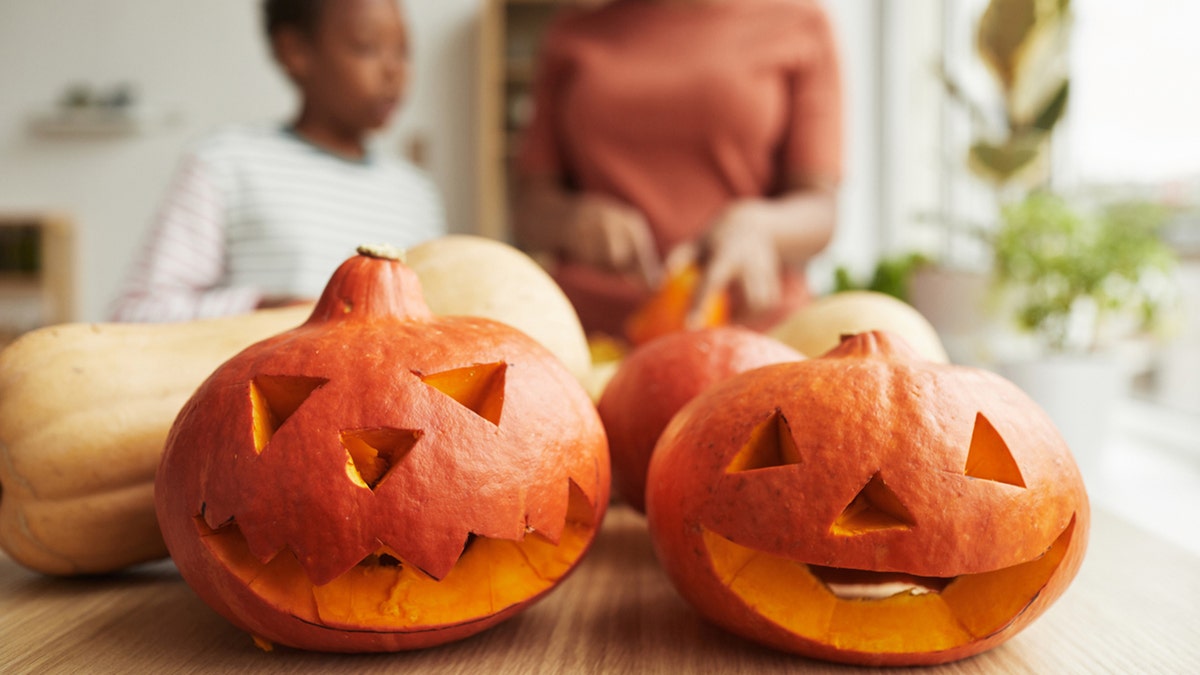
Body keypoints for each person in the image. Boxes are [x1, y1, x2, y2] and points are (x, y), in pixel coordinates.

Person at [512, 0, 842, 337]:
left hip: (751, 329)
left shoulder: (799, 21)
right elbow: (529, 206)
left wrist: (757, 226)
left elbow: (820, 206)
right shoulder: (571, 31)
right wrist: (573, 221)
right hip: (586, 333)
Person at [111, 0, 445, 322]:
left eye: (403, 50)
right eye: (366, 47)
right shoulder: (225, 163)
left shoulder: (416, 193)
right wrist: (261, 310)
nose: (394, 70)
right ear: (294, 51)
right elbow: (136, 313)